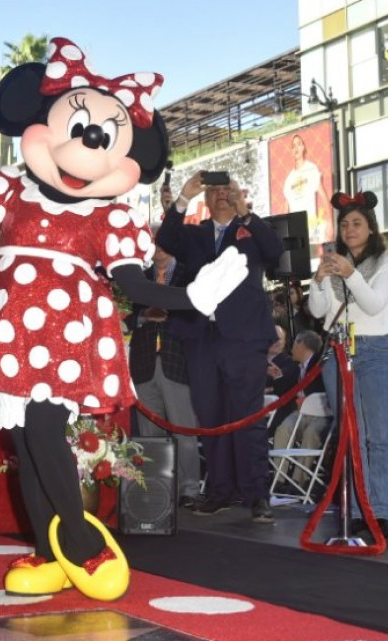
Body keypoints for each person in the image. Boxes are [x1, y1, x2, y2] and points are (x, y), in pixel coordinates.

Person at [0, 39, 247, 603]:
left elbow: (132, 284)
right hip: (7, 327)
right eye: (78, 126)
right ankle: (47, 549)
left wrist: (193, 297)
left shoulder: (109, 214)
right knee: (27, 443)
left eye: (105, 135)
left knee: (40, 429)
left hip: (64, 333)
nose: (87, 142)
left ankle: (83, 544)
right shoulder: (7, 189)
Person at [160, 167, 282, 524]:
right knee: (211, 416)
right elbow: (166, 239)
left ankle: (257, 493)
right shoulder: (195, 235)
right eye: (213, 191)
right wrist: (184, 195)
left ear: (239, 194)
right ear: (207, 199)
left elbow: (274, 250)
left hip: (243, 338)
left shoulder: (250, 231)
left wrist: (246, 210)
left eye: (227, 190)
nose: (221, 195)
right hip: (202, 338)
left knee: (247, 417)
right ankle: (220, 491)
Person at [307, 190, 388, 541]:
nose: (349, 229)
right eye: (345, 224)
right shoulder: (333, 262)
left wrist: (349, 274)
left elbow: (374, 304)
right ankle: (360, 512)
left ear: (371, 229)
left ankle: (382, 512)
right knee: (353, 436)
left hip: (374, 349)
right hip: (338, 350)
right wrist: (318, 281)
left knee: (380, 436)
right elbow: (318, 312)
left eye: (357, 223)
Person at [128, 231, 202, 508]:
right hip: (144, 363)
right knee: (149, 433)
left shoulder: (187, 274)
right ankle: (156, 488)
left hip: (176, 361)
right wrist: (143, 316)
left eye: (163, 241)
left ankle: (189, 490)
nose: (158, 247)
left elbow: (197, 313)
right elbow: (125, 314)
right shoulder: (137, 278)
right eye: (153, 242)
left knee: (184, 431)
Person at [271, 330, 329, 489]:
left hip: (321, 415)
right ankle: (279, 478)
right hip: (300, 415)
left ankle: (298, 482)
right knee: (283, 429)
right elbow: (284, 391)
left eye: (295, 343)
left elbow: (327, 389)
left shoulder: (320, 363)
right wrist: (277, 376)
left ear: (302, 345)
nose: (291, 348)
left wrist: (308, 399)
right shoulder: (296, 367)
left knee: (311, 433)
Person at [282, 134, 330, 246]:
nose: (296, 148)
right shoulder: (289, 179)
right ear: (291, 151)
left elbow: (323, 196)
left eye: (299, 144)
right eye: (293, 146)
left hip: (312, 228)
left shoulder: (311, 169)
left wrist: (330, 223)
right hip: (296, 232)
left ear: (303, 147)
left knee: (315, 261)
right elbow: (286, 210)